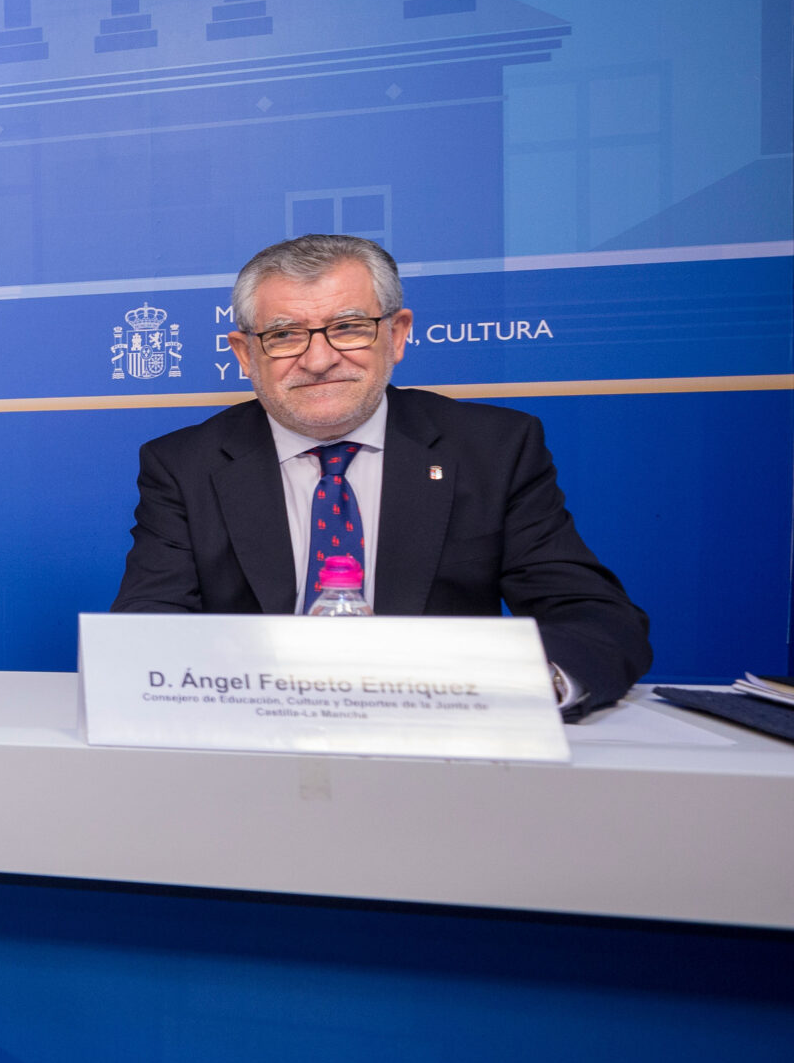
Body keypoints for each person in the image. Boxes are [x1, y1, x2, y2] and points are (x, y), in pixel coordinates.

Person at [112, 233, 651, 711]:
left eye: (348, 328)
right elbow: (149, 627)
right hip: (255, 735)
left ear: (396, 335)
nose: (318, 360)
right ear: (245, 354)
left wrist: (526, 690)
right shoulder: (184, 465)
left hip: (443, 741)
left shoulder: (493, 449)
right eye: (284, 335)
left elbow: (594, 618)